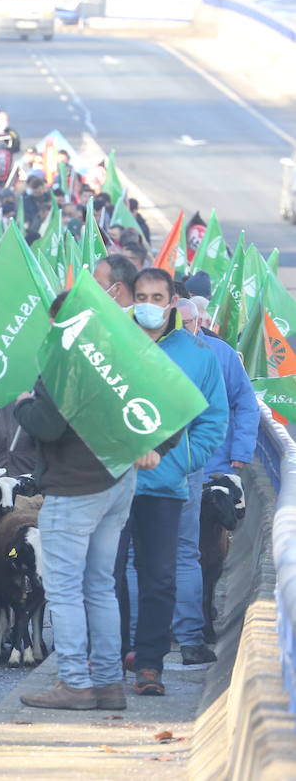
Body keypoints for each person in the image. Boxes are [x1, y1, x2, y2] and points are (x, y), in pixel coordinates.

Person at [14, 292, 169, 711]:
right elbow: (170, 408)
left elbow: (46, 427)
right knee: (100, 587)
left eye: (52, 321)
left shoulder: (66, 363)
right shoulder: (124, 357)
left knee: (64, 592)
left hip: (73, 489)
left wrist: (24, 405)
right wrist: (152, 448)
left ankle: (75, 684)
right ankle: (108, 683)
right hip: (119, 483)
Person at [117, 268, 227, 696]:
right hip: (109, 483)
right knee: (107, 578)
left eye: (156, 296)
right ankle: (110, 659)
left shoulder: (198, 355)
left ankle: (149, 665)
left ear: (171, 302)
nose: (147, 303)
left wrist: (182, 460)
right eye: (140, 295)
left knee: (160, 577)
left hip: (164, 487)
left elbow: (213, 420)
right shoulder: (111, 346)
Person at [170, 298, 257, 664]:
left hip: (210, 467)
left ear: (200, 321)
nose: (188, 326)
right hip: (171, 466)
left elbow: (243, 403)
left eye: (192, 321)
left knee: (199, 551)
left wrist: (240, 451)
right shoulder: (151, 351)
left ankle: (195, 625)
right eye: (182, 321)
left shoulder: (218, 354)